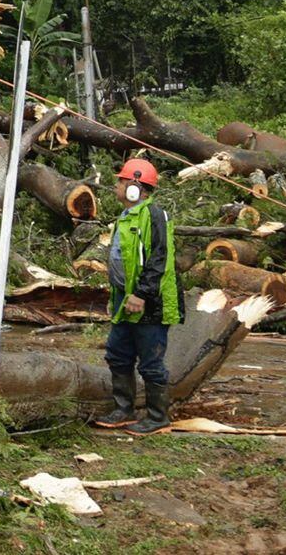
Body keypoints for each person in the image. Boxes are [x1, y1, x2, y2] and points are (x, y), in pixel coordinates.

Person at [94, 157, 180, 435]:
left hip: (150, 302)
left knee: (151, 362)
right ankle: (124, 409)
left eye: (120, 181)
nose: (116, 186)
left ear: (135, 186)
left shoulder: (154, 215)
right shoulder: (125, 217)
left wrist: (141, 294)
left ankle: (157, 417)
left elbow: (159, 259)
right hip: (124, 298)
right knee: (118, 354)